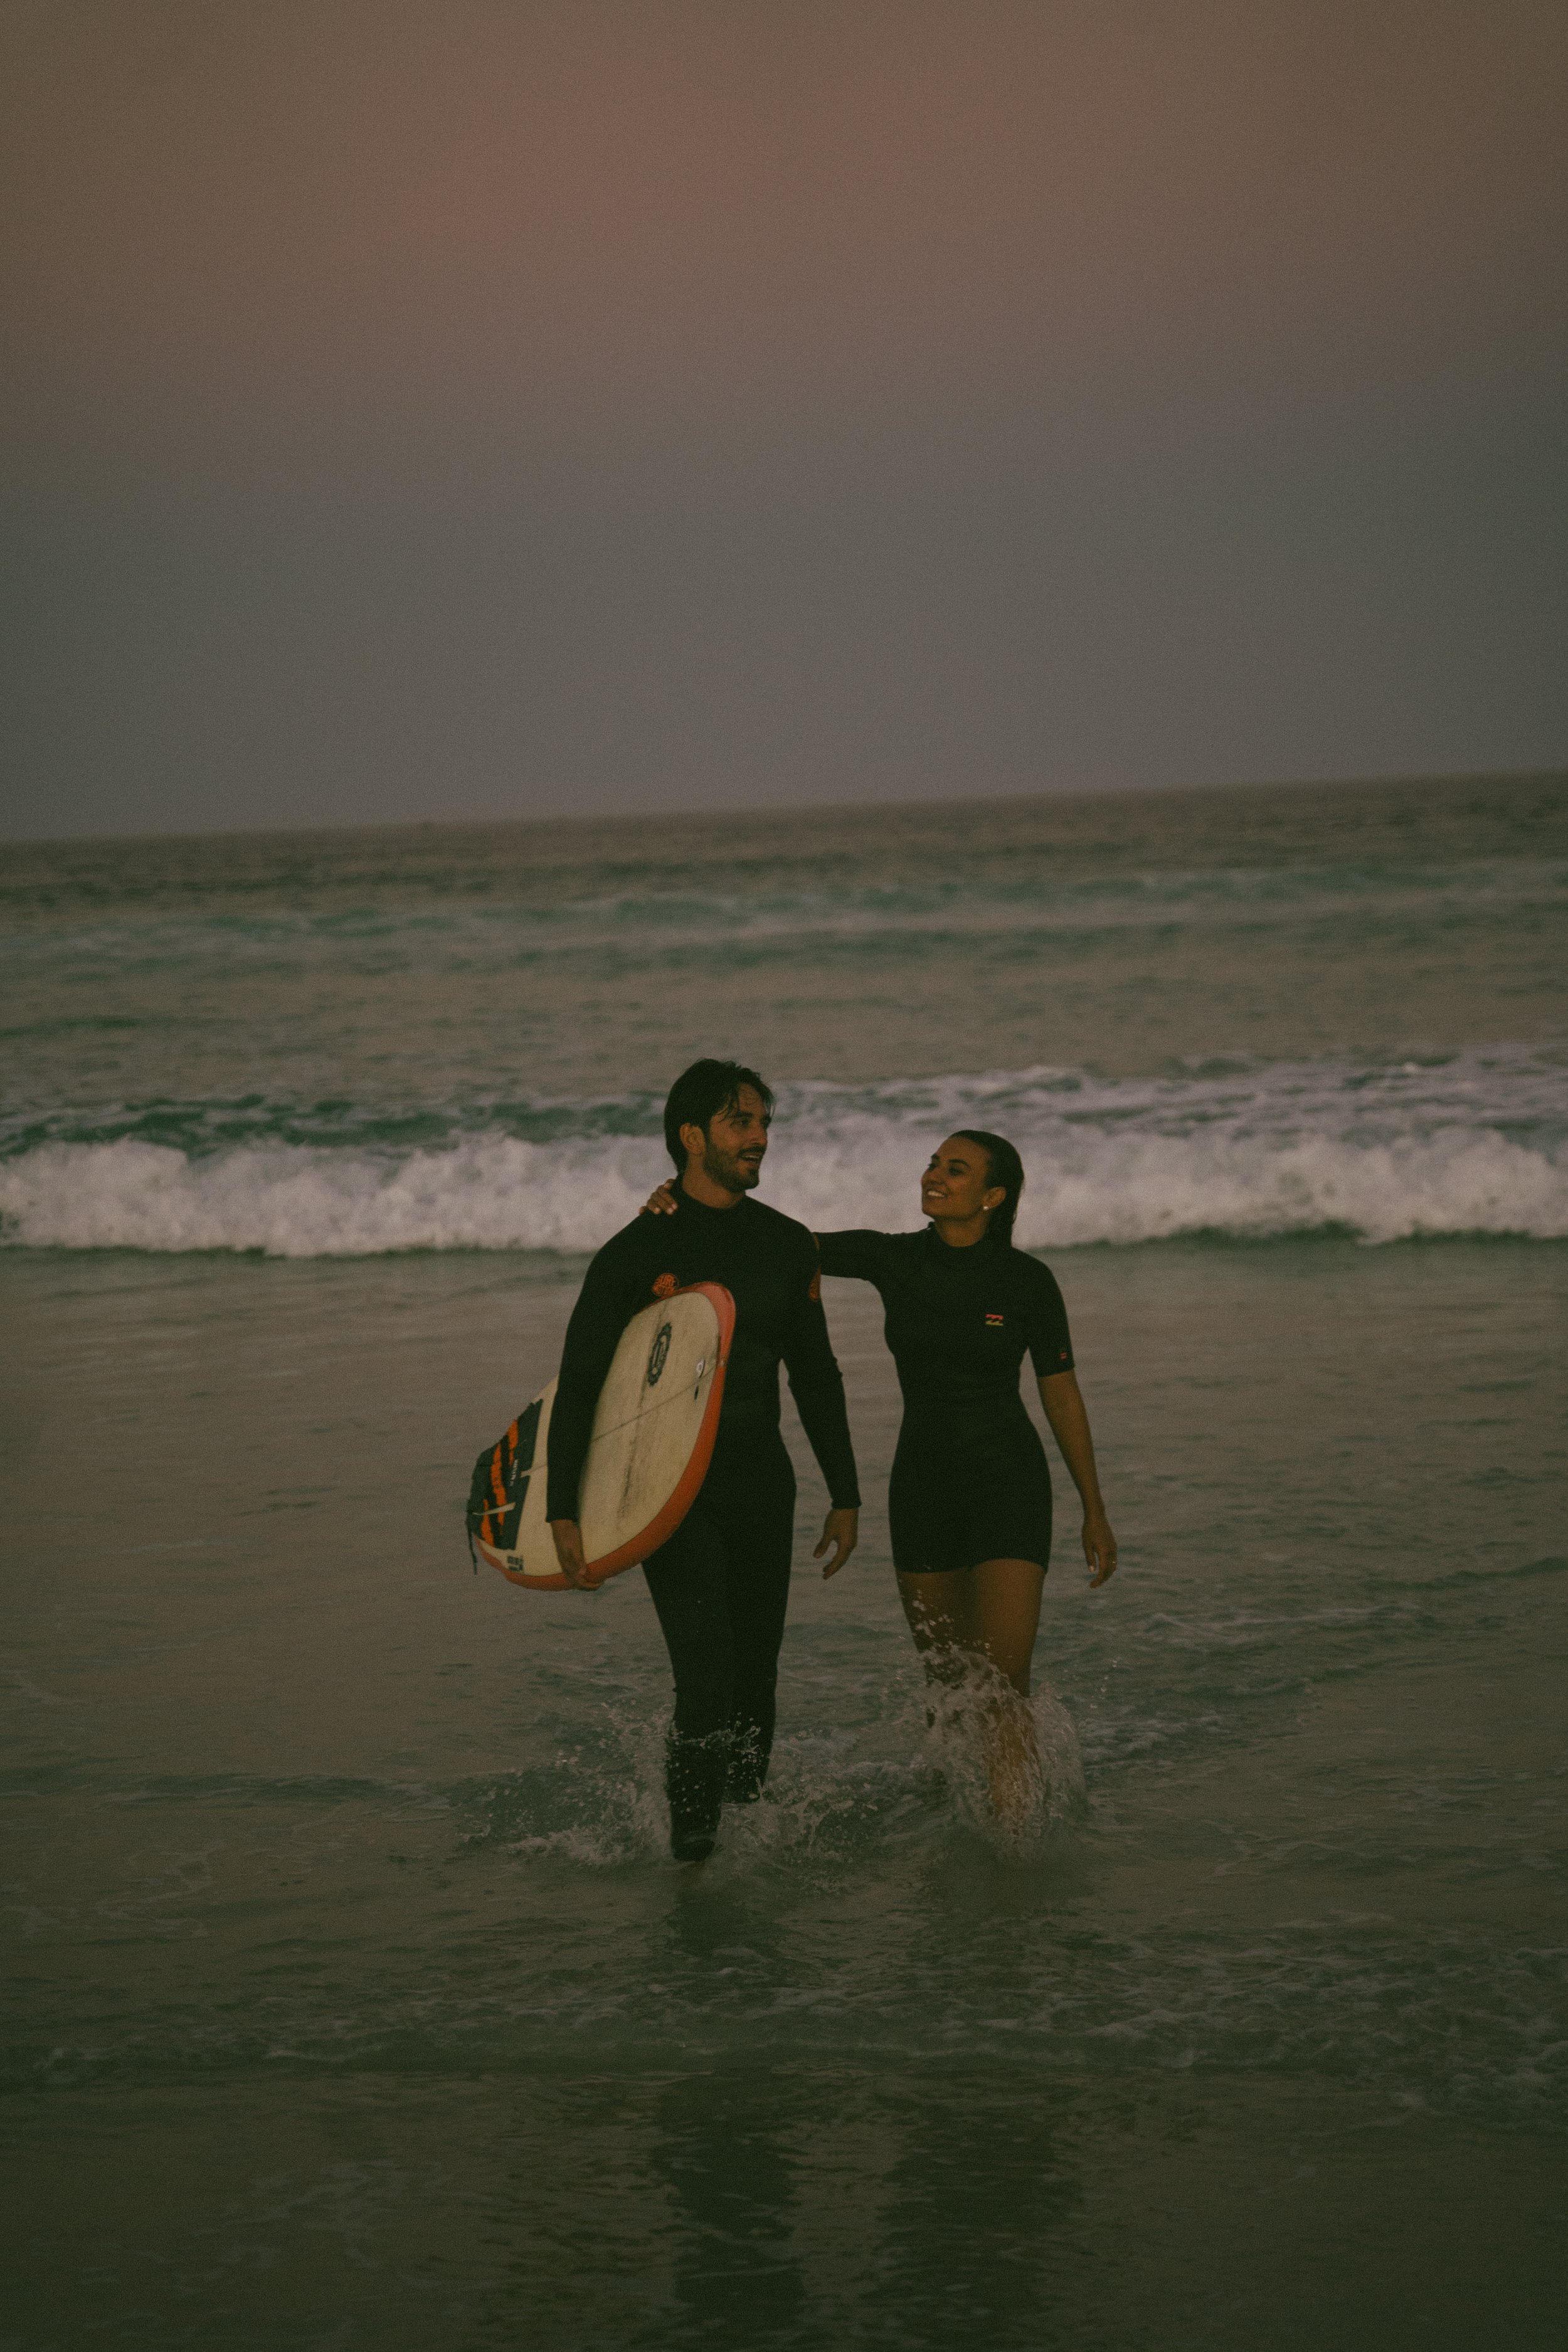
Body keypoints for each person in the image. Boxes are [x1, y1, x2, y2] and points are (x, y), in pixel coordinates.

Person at [644, 1130, 1116, 1825]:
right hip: (921, 1488)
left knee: (1003, 1683)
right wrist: (684, 1208)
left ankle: (1014, 1843)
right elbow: (784, 1243)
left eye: (954, 1170)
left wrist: (1093, 1508)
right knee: (948, 1681)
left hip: (1008, 1488)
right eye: (932, 1163)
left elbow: (1061, 1396)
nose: (934, 1176)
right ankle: (954, 1819)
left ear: (992, 1196)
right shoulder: (897, 1260)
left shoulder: (1026, 1283)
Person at [547, 1059, 861, 1863]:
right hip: (668, 1490)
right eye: (740, 1123)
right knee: (706, 1674)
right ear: (693, 1137)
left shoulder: (786, 1244)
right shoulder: (635, 1250)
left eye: (763, 1123)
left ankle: (745, 1826)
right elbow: (582, 1381)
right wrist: (561, 1508)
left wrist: (846, 1491)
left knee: (758, 1675)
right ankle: (692, 1847)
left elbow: (816, 1375)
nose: (759, 1137)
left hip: (762, 1480)